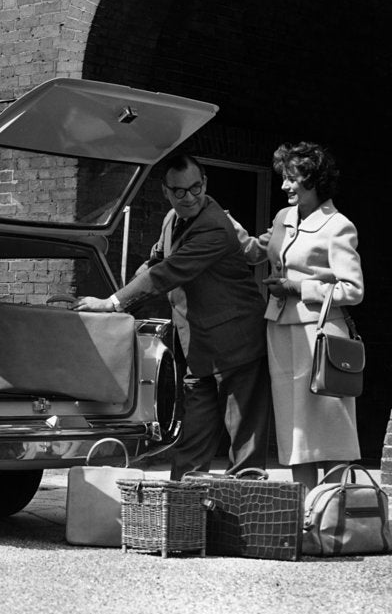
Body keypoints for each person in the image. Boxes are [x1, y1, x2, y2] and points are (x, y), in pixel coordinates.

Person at [73, 154, 269, 480]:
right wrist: (122, 301)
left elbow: (168, 272)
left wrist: (112, 303)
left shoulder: (215, 227)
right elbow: (154, 263)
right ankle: (182, 520)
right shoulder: (170, 219)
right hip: (200, 347)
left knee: (244, 448)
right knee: (191, 440)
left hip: (239, 347)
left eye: (196, 188)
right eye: (179, 191)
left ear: (205, 184)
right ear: (166, 191)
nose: (189, 197)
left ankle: (244, 524)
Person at [231, 142, 363, 490]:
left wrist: (298, 288)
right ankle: (304, 514)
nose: (285, 186)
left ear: (315, 180)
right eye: (284, 178)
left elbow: (353, 290)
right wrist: (223, 221)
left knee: (331, 428)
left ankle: (333, 514)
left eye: (293, 178)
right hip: (280, 331)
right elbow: (255, 251)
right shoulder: (283, 218)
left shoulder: (338, 226)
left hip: (323, 336)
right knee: (295, 430)